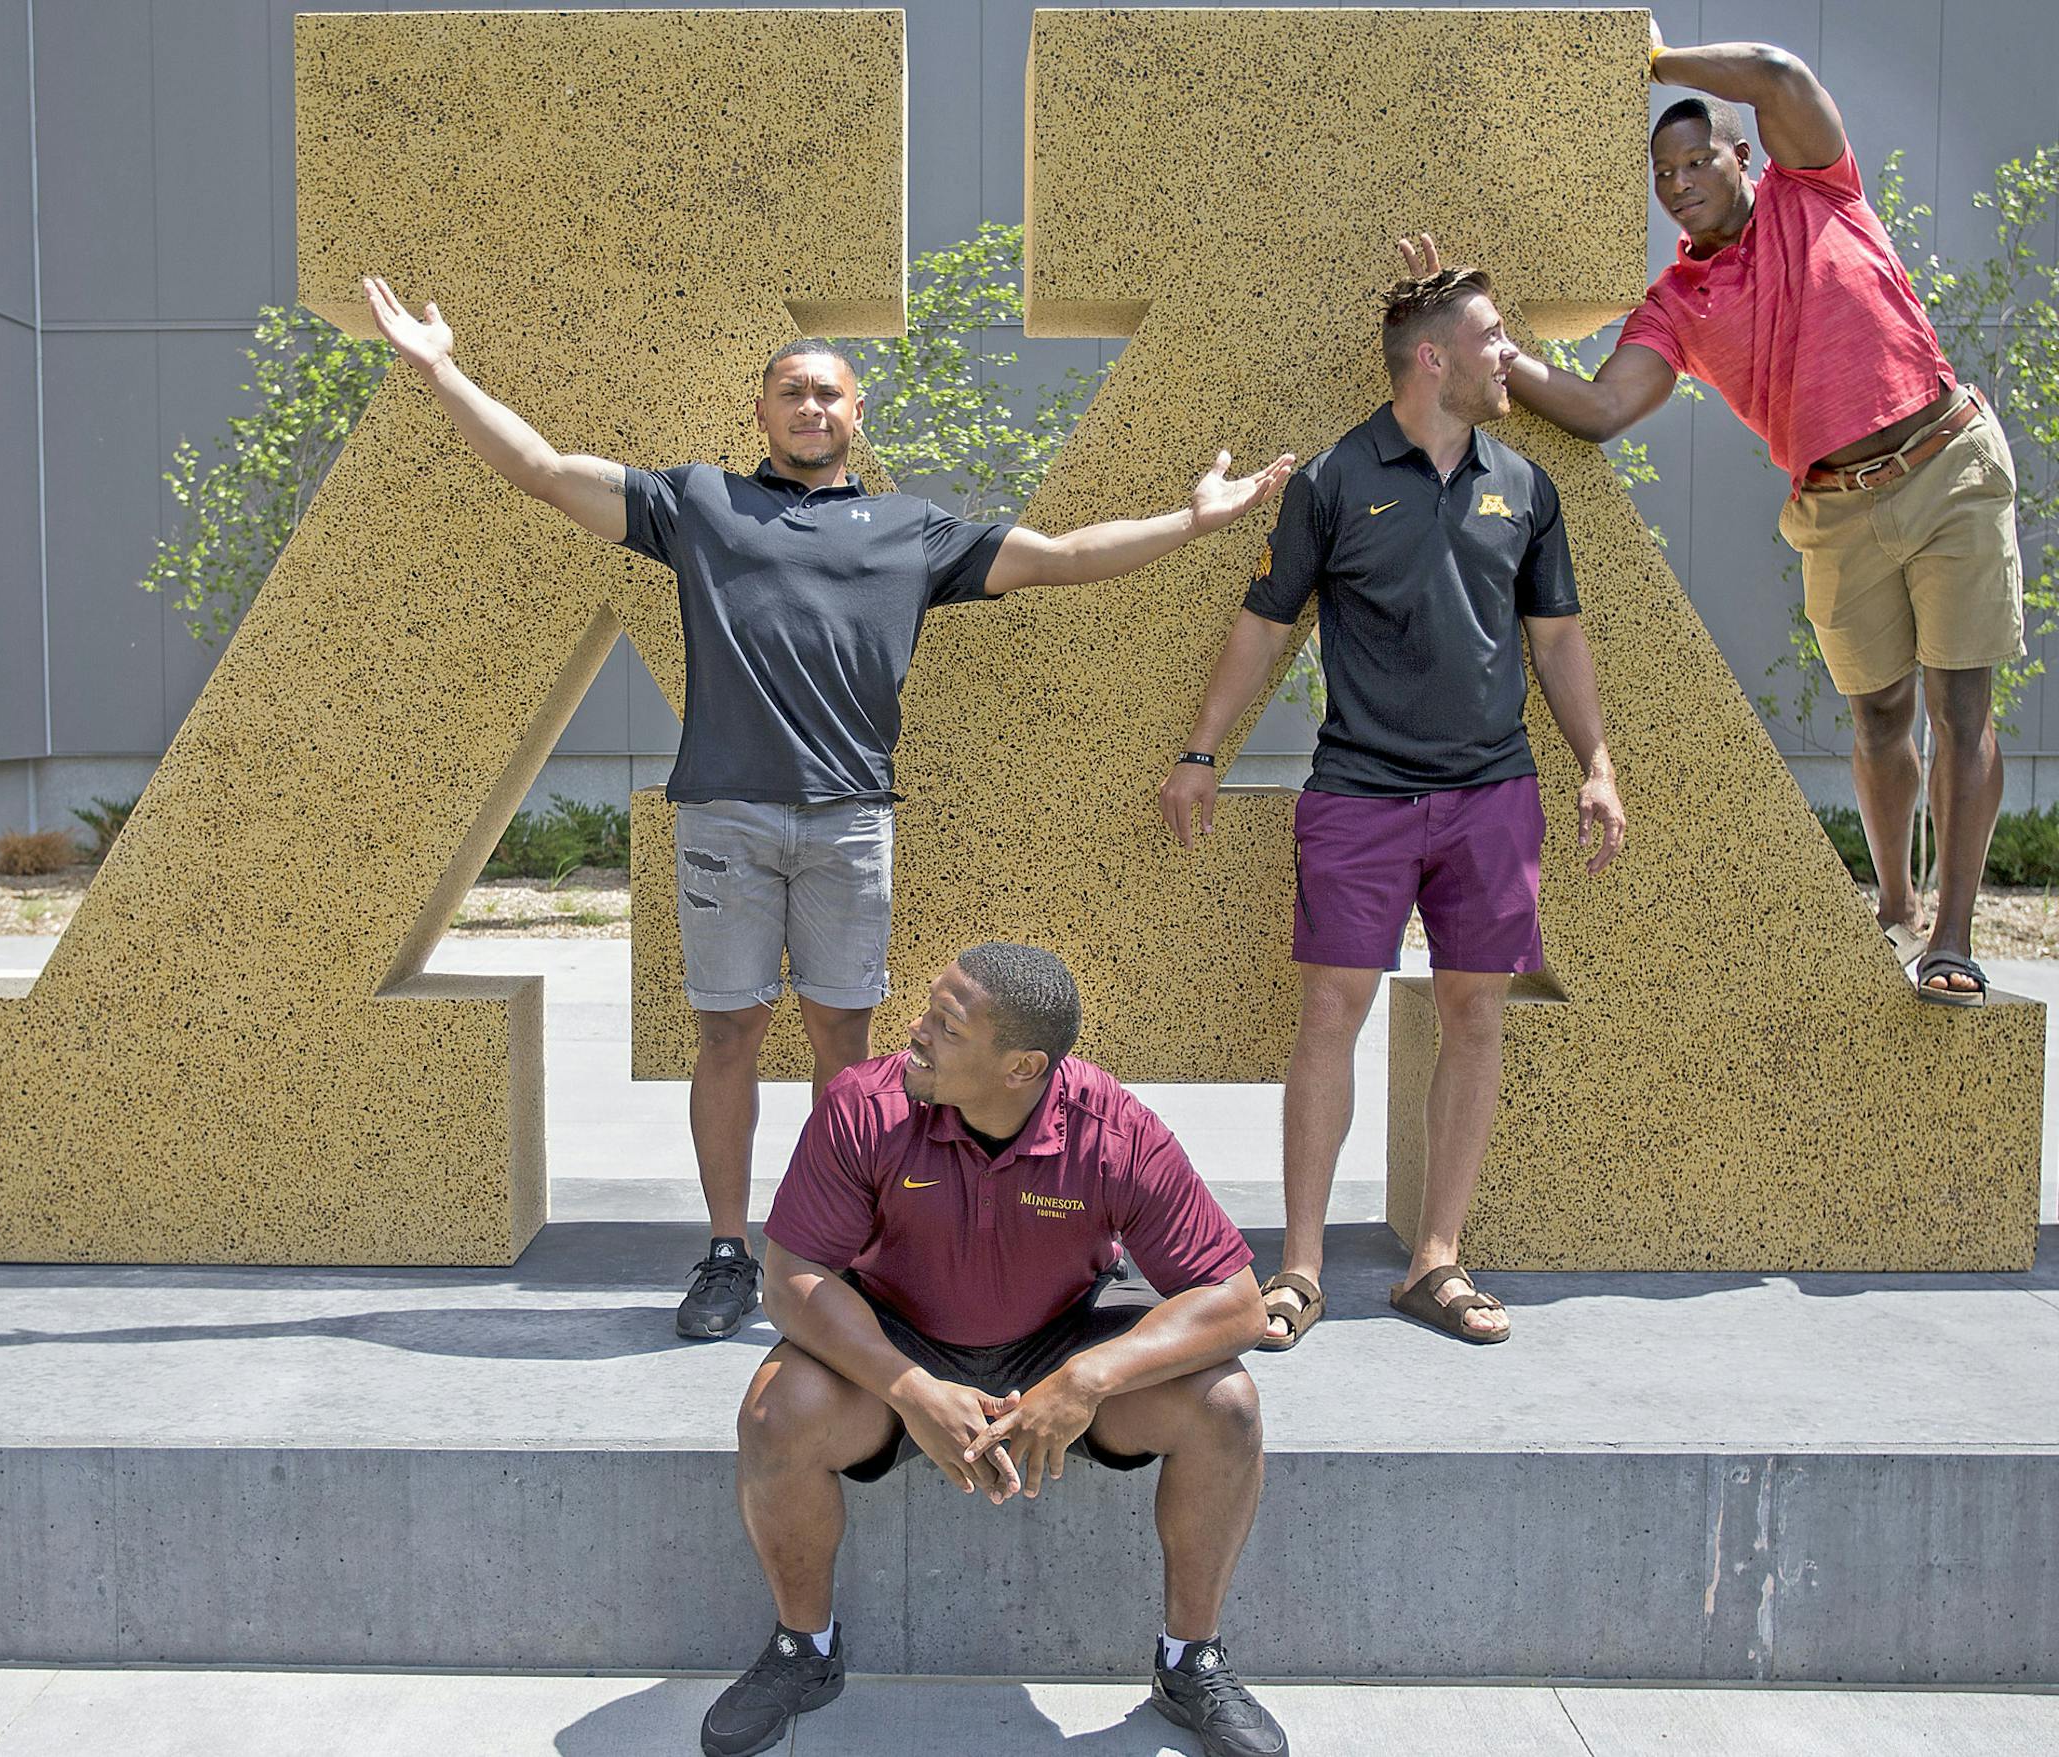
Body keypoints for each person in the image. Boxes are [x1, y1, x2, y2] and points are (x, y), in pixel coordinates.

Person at [361, 278, 1293, 1336]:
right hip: (724, 819)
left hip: (851, 820)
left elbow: (1066, 556)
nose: (810, 406)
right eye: (791, 392)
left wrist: (1193, 519)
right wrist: (439, 367)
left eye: (828, 393)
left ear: (858, 412)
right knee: (727, 1035)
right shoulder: (701, 505)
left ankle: (831, 1253)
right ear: (761, 411)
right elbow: (540, 469)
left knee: (845, 1049)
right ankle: (727, 1251)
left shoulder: (910, 531)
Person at [1432, 27, 2024, 1006]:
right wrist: (1492, 351)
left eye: (1696, 161)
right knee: (1879, 714)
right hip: (1835, 508)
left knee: (1960, 704)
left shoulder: (1817, 188)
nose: (1679, 183)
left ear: (1742, 155)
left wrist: (1658, 60)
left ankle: (1953, 937)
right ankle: (1896, 903)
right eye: (1663, 174)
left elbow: (1780, 75)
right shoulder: (1678, 302)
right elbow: (1602, 406)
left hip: (1946, 463)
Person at [1161, 268, 1626, 1349]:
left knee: (1475, 1015)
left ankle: (1436, 1261)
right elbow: (1265, 623)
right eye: (1492, 337)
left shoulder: (1524, 485)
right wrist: (1201, 751)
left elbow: (1556, 636)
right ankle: (1301, 1268)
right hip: (1358, 793)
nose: (1508, 355)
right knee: (1331, 1013)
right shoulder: (1333, 478)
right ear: (1433, 357)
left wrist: (1597, 763)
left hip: (1493, 795)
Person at [704, 942, 1286, 1757]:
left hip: (1058, 1337)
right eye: (927, 1008)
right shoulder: (862, 1107)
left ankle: (1191, 1661)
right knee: (776, 1411)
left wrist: (1086, 1378)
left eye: (947, 1025)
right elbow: (790, 1277)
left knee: (1227, 1404)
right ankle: (805, 1648)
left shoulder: (1113, 1129)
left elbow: (1237, 1301)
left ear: (1022, 1067)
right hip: (896, 1336)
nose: (916, 1030)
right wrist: (911, 1388)